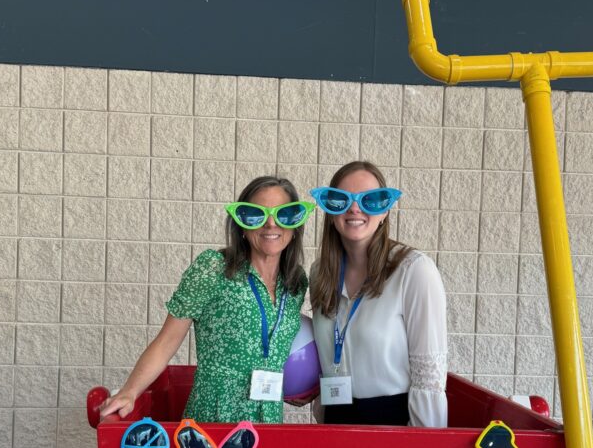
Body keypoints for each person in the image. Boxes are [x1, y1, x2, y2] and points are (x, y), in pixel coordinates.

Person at [100, 176, 314, 424]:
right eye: (255, 214)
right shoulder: (213, 268)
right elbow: (167, 340)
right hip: (214, 419)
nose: (270, 223)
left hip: (268, 419)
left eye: (283, 214)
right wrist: (130, 391)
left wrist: (302, 386)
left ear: (295, 223)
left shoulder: (296, 282)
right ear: (241, 224)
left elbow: (274, 350)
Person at [309, 160, 447, 427]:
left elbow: (429, 378)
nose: (355, 208)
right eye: (341, 199)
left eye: (371, 200)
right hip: (336, 421)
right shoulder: (321, 273)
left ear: (385, 211)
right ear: (329, 209)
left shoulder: (414, 271)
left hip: (393, 424)